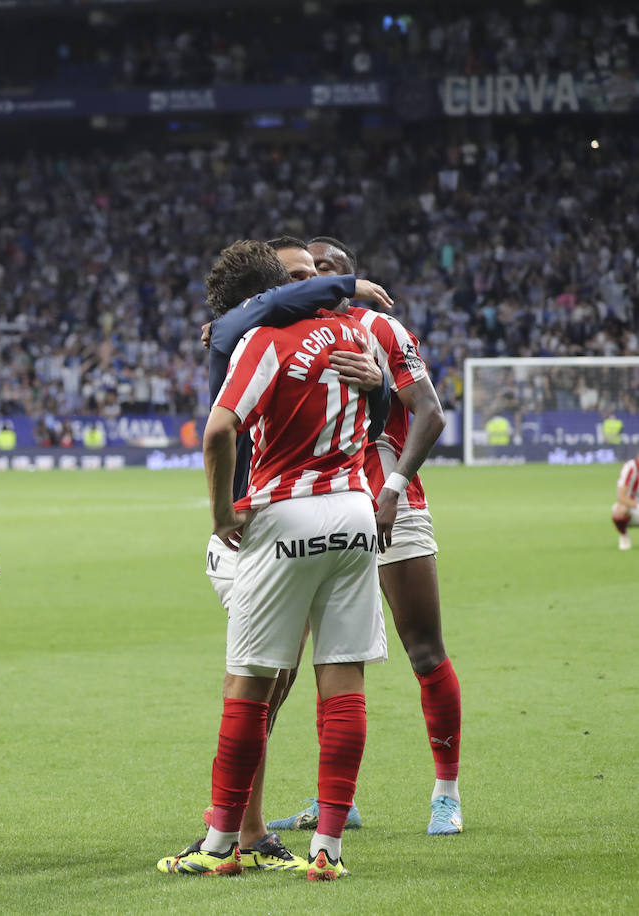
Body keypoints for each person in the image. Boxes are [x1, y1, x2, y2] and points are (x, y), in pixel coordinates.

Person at [158, 240, 385, 880]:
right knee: (342, 679)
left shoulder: (258, 341)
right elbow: (378, 420)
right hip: (354, 514)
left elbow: (218, 430)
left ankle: (220, 842)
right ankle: (329, 852)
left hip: (284, 513)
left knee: (251, 685)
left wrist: (221, 513)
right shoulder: (351, 335)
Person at [261, 236, 460, 837]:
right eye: (310, 269)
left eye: (333, 268)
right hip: (317, 511)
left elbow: (429, 412)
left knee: (423, 649)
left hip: (388, 502)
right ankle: (334, 803)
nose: (320, 276)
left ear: (352, 277)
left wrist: (395, 486)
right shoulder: (281, 332)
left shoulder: (381, 328)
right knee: (326, 661)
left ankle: (446, 792)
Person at [613, 449, 639, 551]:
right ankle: (624, 536)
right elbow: (621, 497)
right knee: (618, 510)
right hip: (634, 507)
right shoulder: (631, 468)